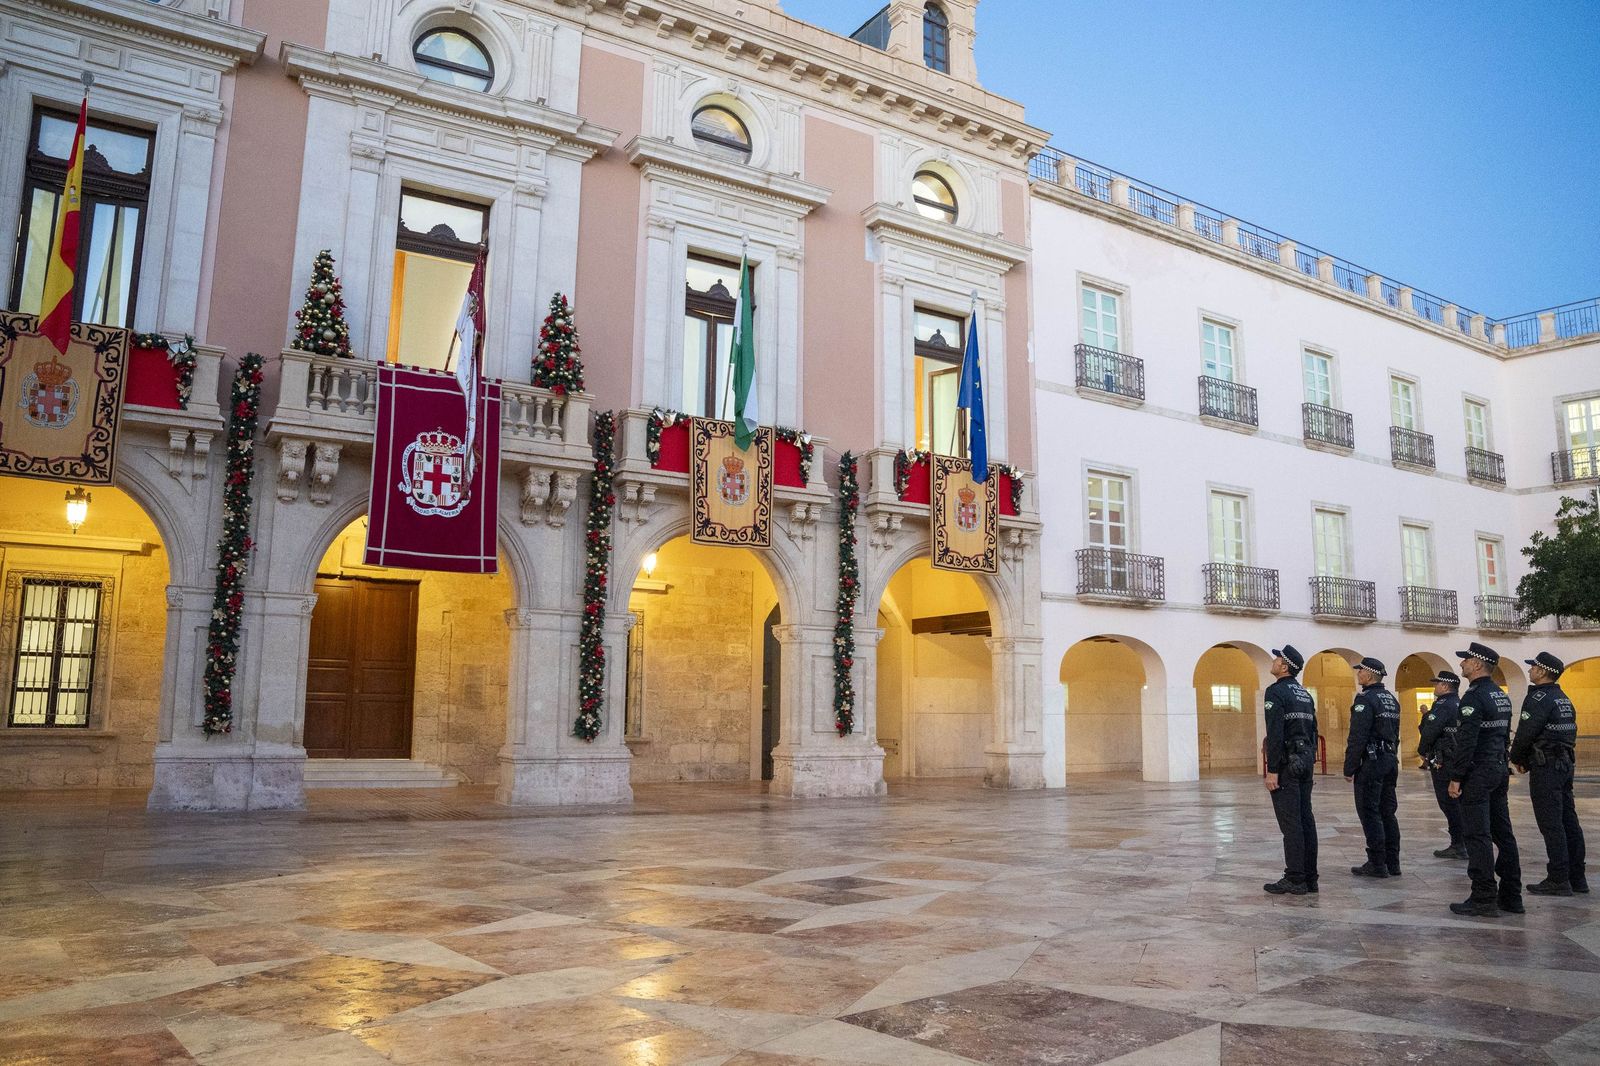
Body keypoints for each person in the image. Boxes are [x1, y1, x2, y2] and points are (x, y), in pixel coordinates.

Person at [1446, 642, 1522, 917]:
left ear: (1477, 664)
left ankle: (1483, 897)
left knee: (1477, 835)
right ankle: (1512, 896)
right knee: (1504, 834)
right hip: (1498, 769)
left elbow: (1467, 741)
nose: (1462, 664)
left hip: (1478, 773)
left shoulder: (1474, 697)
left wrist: (1456, 777)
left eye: (1465, 660)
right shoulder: (1500, 696)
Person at [1511, 651, 1587, 896]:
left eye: (1533, 667)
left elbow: (1525, 732)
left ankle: (1558, 878)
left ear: (1542, 671)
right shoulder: (1563, 698)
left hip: (1546, 767)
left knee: (1551, 824)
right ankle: (1577, 877)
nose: (1530, 670)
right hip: (1564, 764)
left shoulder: (1538, 698)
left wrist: (1517, 759)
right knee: (1568, 821)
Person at [1263, 645, 1319, 896]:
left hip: (1287, 764)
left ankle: (1295, 878)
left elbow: (1275, 733)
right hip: (1305, 761)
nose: (1274, 662)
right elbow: (1313, 731)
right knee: (1306, 820)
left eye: (1277, 659)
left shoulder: (1276, 692)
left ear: (1284, 667)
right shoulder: (1305, 694)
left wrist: (1273, 769)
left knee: (1291, 824)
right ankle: (1310, 877)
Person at [1343, 657, 1402, 877]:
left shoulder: (1365, 700)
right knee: (1388, 812)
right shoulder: (1390, 699)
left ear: (1368, 675)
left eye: (1360, 672)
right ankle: (1393, 862)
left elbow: (1357, 736)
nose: (1358, 675)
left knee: (1370, 812)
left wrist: (1350, 767)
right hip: (1389, 759)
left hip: (1372, 762)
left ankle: (1377, 863)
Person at [1417, 669, 1465, 859]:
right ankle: (1462, 842)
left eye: (1437, 683)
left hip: (1445, 759)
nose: (1434, 686)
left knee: (1448, 802)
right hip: (1455, 756)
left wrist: (1422, 750)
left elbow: (1430, 731)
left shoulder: (1443, 705)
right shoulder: (1460, 703)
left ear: (1445, 686)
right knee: (1457, 802)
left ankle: (1458, 843)